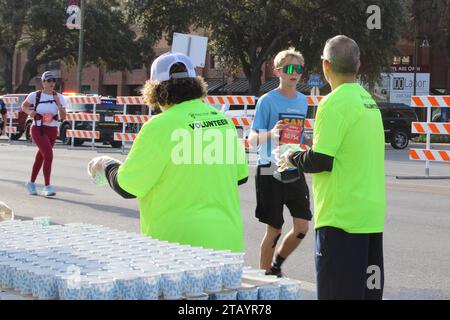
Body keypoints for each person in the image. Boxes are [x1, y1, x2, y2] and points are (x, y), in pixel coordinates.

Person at [87, 52, 248, 252]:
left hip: (177, 244)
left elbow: (128, 187)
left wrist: (105, 164)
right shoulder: (223, 121)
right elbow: (240, 177)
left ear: (154, 89)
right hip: (227, 240)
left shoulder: (160, 126)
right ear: (196, 84)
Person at [276, 35, 386, 300]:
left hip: (340, 221)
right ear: (358, 65)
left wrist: (291, 156)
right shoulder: (368, 101)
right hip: (370, 218)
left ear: (325, 65)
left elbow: (321, 160)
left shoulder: (332, 102)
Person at [248, 48, 312, 277]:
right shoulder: (267, 101)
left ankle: (276, 265)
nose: (294, 73)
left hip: (293, 167)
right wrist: (272, 134)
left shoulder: (303, 101)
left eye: (298, 69)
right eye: (289, 69)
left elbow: (299, 134)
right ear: (278, 72)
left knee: (302, 226)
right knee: (274, 229)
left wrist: (309, 140)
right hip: (269, 168)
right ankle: (265, 279)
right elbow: (252, 138)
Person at [21, 71, 67, 197]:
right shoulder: (35, 95)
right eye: (49, 80)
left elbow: (63, 116)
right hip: (38, 128)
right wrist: (30, 112)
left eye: (54, 80)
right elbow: (23, 106)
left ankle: (31, 183)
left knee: (41, 156)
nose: (52, 83)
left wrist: (58, 104)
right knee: (48, 155)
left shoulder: (59, 96)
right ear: (43, 82)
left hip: (52, 129)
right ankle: (47, 186)